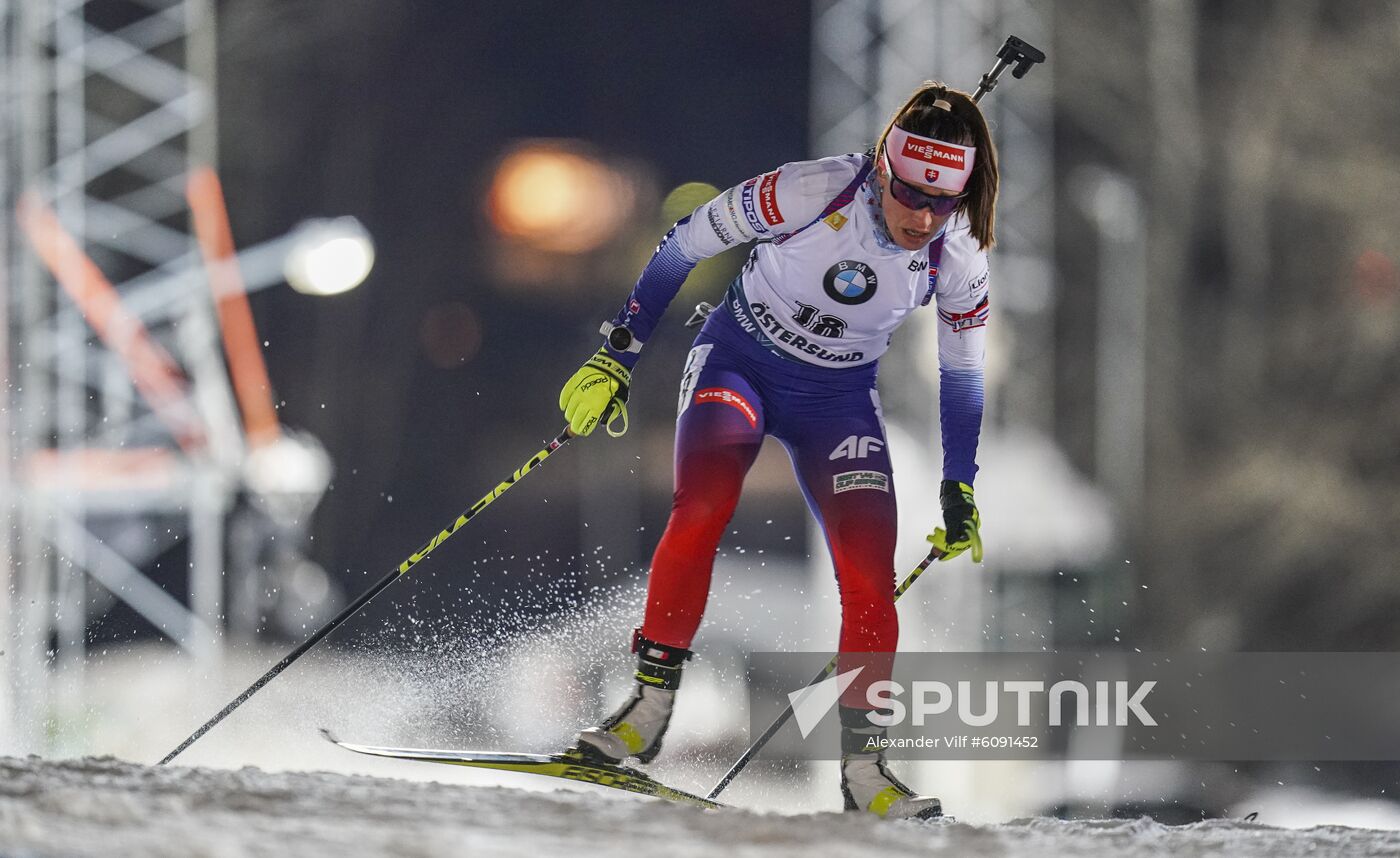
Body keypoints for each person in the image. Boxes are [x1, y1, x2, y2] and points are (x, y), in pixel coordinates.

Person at [557, 81, 995, 820]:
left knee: (866, 574)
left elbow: (963, 376)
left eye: (942, 203)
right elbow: (684, 242)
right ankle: (645, 714)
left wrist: (959, 487)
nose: (923, 217)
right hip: (740, 365)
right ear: (884, 173)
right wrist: (617, 356)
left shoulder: (958, 259)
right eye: (912, 195)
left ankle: (866, 774)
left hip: (838, 401)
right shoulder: (813, 190)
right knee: (703, 507)